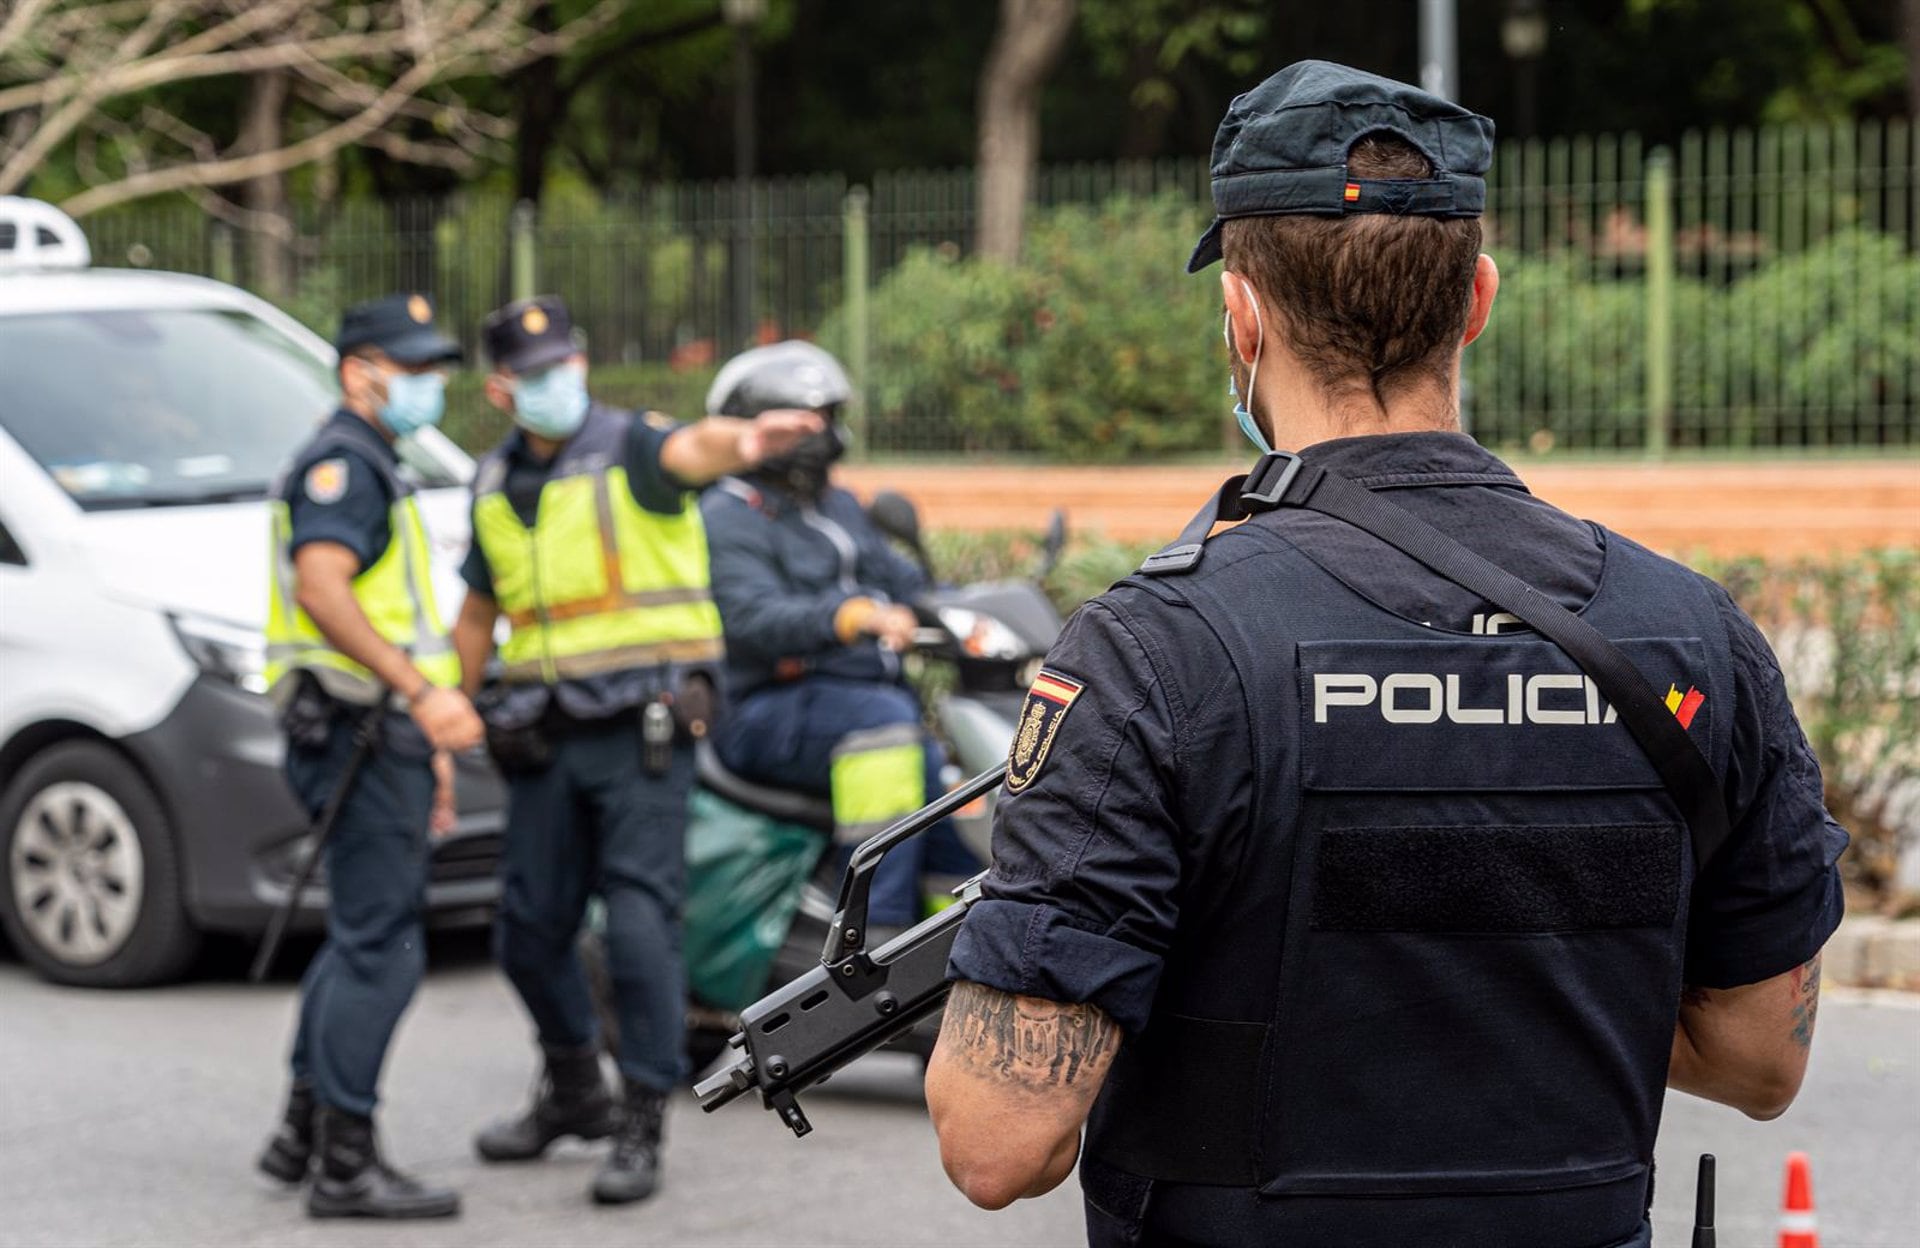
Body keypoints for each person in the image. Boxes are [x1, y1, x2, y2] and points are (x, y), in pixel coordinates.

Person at [923, 61, 1848, 1248]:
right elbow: (1763, 1059)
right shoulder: (1692, 632)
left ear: (1242, 317)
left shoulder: (1157, 650)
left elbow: (999, 1143)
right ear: (1477, 300)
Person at [451, 297, 821, 1206]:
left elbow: (688, 451)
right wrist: (446, 705)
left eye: (565, 362)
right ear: (503, 388)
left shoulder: (631, 448)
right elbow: (478, 608)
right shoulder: (493, 482)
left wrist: (741, 442)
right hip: (542, 738)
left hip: (642, 732)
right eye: (534, 373)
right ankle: (575, 1084)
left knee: (641, 931)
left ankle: (640, 1116)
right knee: (528, 933)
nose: (555, 381)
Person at [256, 292, 483, 1220]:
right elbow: (322, 588)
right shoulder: (343, 466)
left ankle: (301, 1131)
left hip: (365, 731)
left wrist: (420, 731)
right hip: (355, 732)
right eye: (416, 369)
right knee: (380, 952)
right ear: (363, 373)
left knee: (357, 937)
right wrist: (423, 693)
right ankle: (344, 1165)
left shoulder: (366, 459)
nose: (431, 385)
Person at [699, 341, 982, 933]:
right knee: (887, 732)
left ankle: (962, 930)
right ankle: (873, 933)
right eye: (810, 421)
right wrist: (845, 615)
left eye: (829, 419)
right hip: (764, 709)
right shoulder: (727, 513)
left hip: (850, 699)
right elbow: (752, 619)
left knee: (939, 779)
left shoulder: (836, 504)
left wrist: (967, 605)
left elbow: (899, 578)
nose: (826, 434)